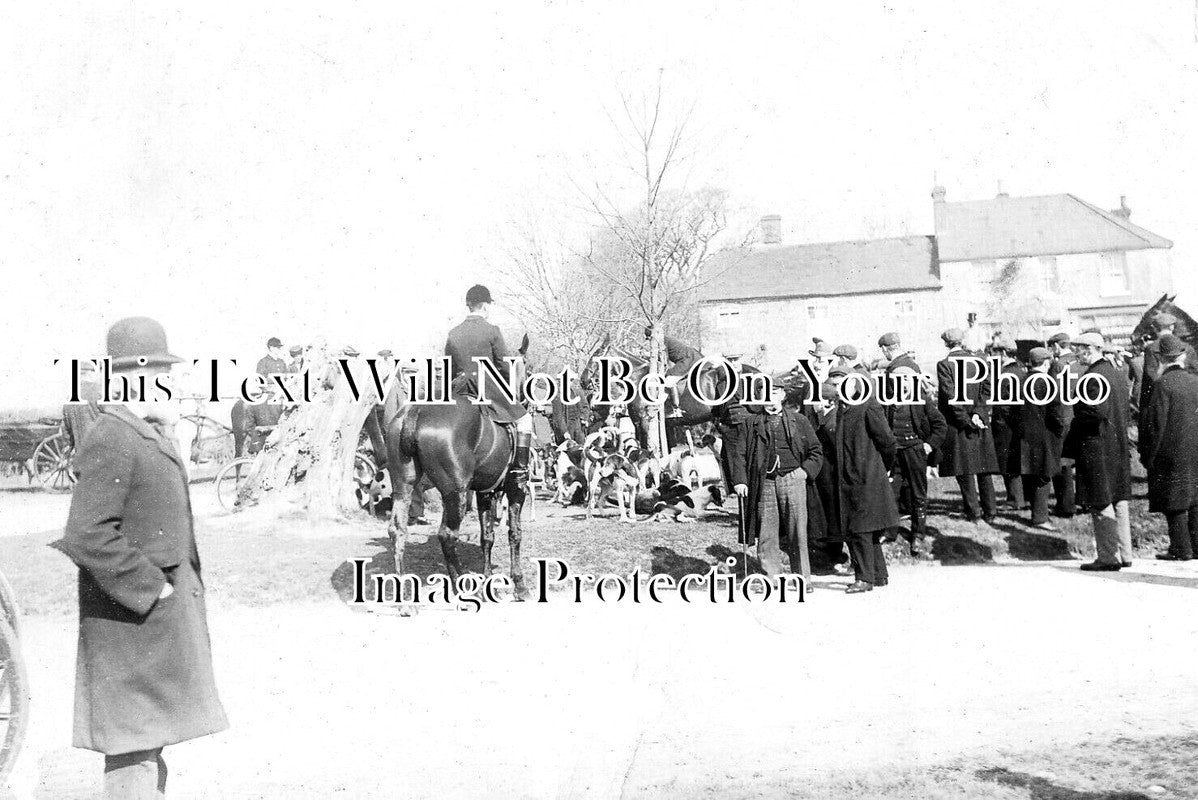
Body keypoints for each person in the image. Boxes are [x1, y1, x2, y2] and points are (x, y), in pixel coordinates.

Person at [50, 317, 228, 799]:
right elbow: (86, 535)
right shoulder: (113, 435)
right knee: (133, 748)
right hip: (134, 619)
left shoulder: (140, 431)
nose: (169, 383)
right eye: (161, 374)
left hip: (149, 622)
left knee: (148, 744)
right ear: (132, 378)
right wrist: (155, 588)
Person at [727, 382, 823, 583]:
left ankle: (802, 579)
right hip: (765, 483)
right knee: (766, 532)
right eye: (766, 392)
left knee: (797, 531)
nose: (771, 397)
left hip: (793, 480)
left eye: (775, 392)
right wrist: (740, 481)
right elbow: (740, 454)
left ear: (782, 395)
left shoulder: (799, 420)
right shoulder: (751, 423)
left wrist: (804, 472)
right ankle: (770, 578)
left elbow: (815, 450)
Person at [820, 367, 899, 593]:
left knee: (860, 528)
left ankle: (864, 578)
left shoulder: (867, 405)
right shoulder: (842, 408)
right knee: (866, 528)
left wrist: (880, 468)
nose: (836, 389)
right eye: (833, 386)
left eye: (840, 384)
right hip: (849, 478)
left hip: (866, 478)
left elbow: (888, 442)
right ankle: (878, 574)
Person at [445, 284, 533, 477]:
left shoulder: (453, 333)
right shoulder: (492, 330)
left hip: (457, 389)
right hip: (486, 388)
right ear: (485, 305)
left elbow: (448, 368)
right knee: (525, 419)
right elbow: (503, 366)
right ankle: (520, 470)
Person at [1063, 332, 1133, 571]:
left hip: (1097, 445)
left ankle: (1107, 557)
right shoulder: (1116, 373)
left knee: (1100, 499)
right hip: (1117, 444)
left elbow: (1095, 412)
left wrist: (1075, 421)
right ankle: (1125, 553)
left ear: (1091, 349)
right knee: (1119, 499)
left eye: (1079, 349)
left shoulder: (1093, 377)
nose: (1076, 353)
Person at [1137, 334, 1198, 561]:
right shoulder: (1195, 381)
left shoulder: (1162, 384)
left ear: (1161, 358)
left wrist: (1148, 455)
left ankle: (1180, 549)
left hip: (1171, 451)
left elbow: (1155, 425)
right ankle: (1197, 546)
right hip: (1195, 449)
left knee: (1174, 501)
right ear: (1182, 355)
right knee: (1195, 497)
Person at [936, 328, 999, 522]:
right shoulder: (979, 361)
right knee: (984, 467)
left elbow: (950, 396)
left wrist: (966, 420)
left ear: (946, 344)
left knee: (964, 469)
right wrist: (979, 414)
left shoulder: (945, 365)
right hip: (979, 421)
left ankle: (973, 512)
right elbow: (988, 389)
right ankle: (991, 511)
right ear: (962, 341)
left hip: (958, 424)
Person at [885, 365, 946, 555]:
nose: (901, 385)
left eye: (905, 381)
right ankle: (890, 532)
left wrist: (929, 445)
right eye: (896, 381)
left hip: (914, 451)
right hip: (894, 453)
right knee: (891, 493)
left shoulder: (922, 401)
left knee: (918, 494)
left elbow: (940, 425)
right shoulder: (887, 401)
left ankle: (918, 534)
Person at [1017, 347, 1065, 530]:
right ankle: (1040, 518)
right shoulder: (1047, 382)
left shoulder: (1021, 380)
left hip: (1025, 435)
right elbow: (1056, 411)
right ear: (1046, 362)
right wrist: (1060, 430)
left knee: (1031, 474)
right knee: (1044, 477)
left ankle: (1035, 511)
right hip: (1045, 435)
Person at [1139, 312, 1198, 426]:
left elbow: (1151, 377)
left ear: (1155, 328)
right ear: (1172, 327)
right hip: (1187, 403)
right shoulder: (1187, 347)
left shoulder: (1151, 348)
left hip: (1160, 402)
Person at [988, 336, 1026, 511]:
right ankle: (1022, 497)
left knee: (1008, 462)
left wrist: (997, 421)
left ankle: (1014, 499)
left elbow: (1003, 405)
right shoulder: (1022, 370)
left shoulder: (1003, 374)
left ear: (1003, 353)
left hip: (1006, 425)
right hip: (1019, 423)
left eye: (995, 352)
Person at [1048, 332, 1082, 517]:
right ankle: (1085, 501)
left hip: (1063, 417)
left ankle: (1066, 505)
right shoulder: (1081, 363)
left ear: (1056, 347)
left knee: (1063, 464)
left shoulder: (1057, 365)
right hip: (1081, 416)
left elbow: (1054, 395)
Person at [63, 359, 103, 450]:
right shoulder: (99, 392)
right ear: (90, 373)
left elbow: (65, 429)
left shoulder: (70, 397)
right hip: (99, 448)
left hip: (81, 453)